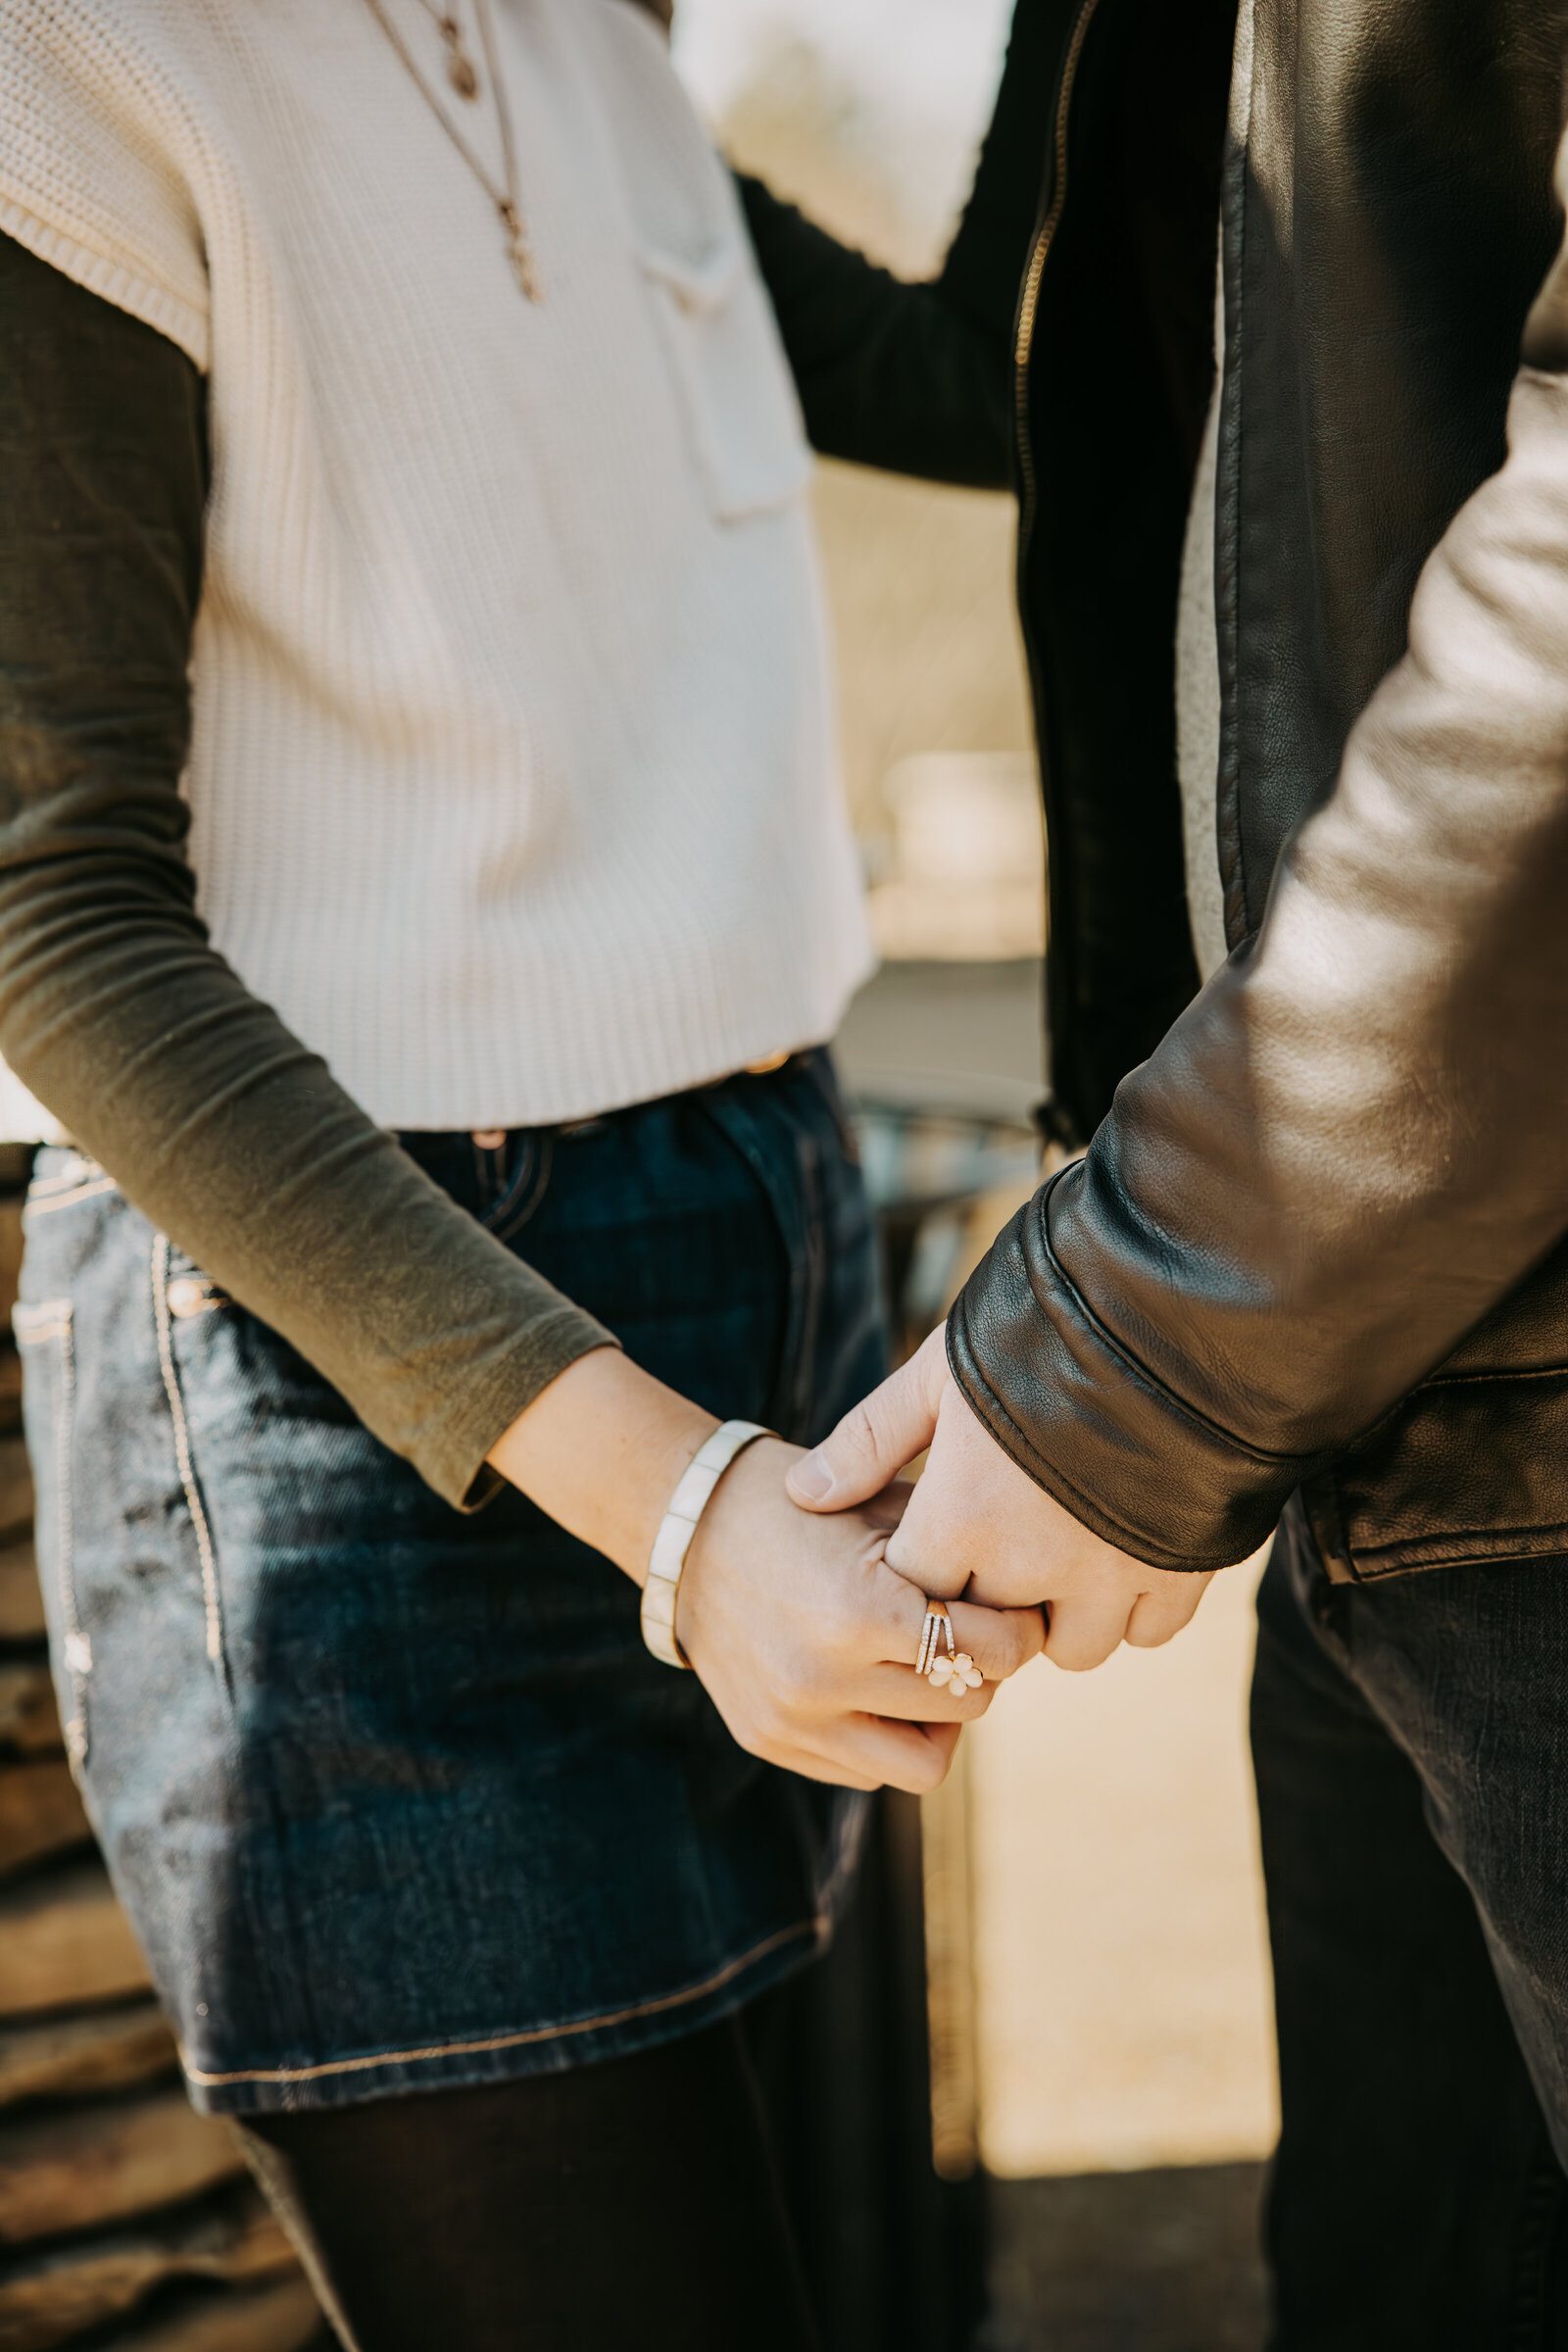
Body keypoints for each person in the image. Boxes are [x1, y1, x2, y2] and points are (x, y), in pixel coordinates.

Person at [0, 5, 1054, 2347]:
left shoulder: (582, 40)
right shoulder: (68, 63)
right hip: (363, 1392)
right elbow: (44, 913)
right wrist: (680, 1513)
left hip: (748, 1242)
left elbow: (1001, 368)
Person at [745, 0, 1568, 2340]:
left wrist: (1131, 1331)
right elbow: (1007, 371)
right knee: (1387, 2274)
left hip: (1427, 1317)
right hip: (1351, 1393)